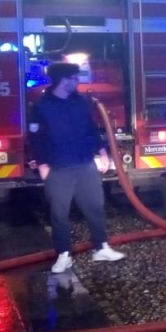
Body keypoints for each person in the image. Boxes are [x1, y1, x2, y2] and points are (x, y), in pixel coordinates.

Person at [27, 61, 125, 273]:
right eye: (73, 78)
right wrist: (42, 163)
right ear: (62, 80)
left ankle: (101, 247)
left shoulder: (80, 102)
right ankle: (63, 255)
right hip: (58, 167)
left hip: (85, 164)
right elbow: (35, 138)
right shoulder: (42, 106)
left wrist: (102, 151)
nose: (76, 81)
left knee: (95, 207)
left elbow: (91, 129)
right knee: (59, 213)